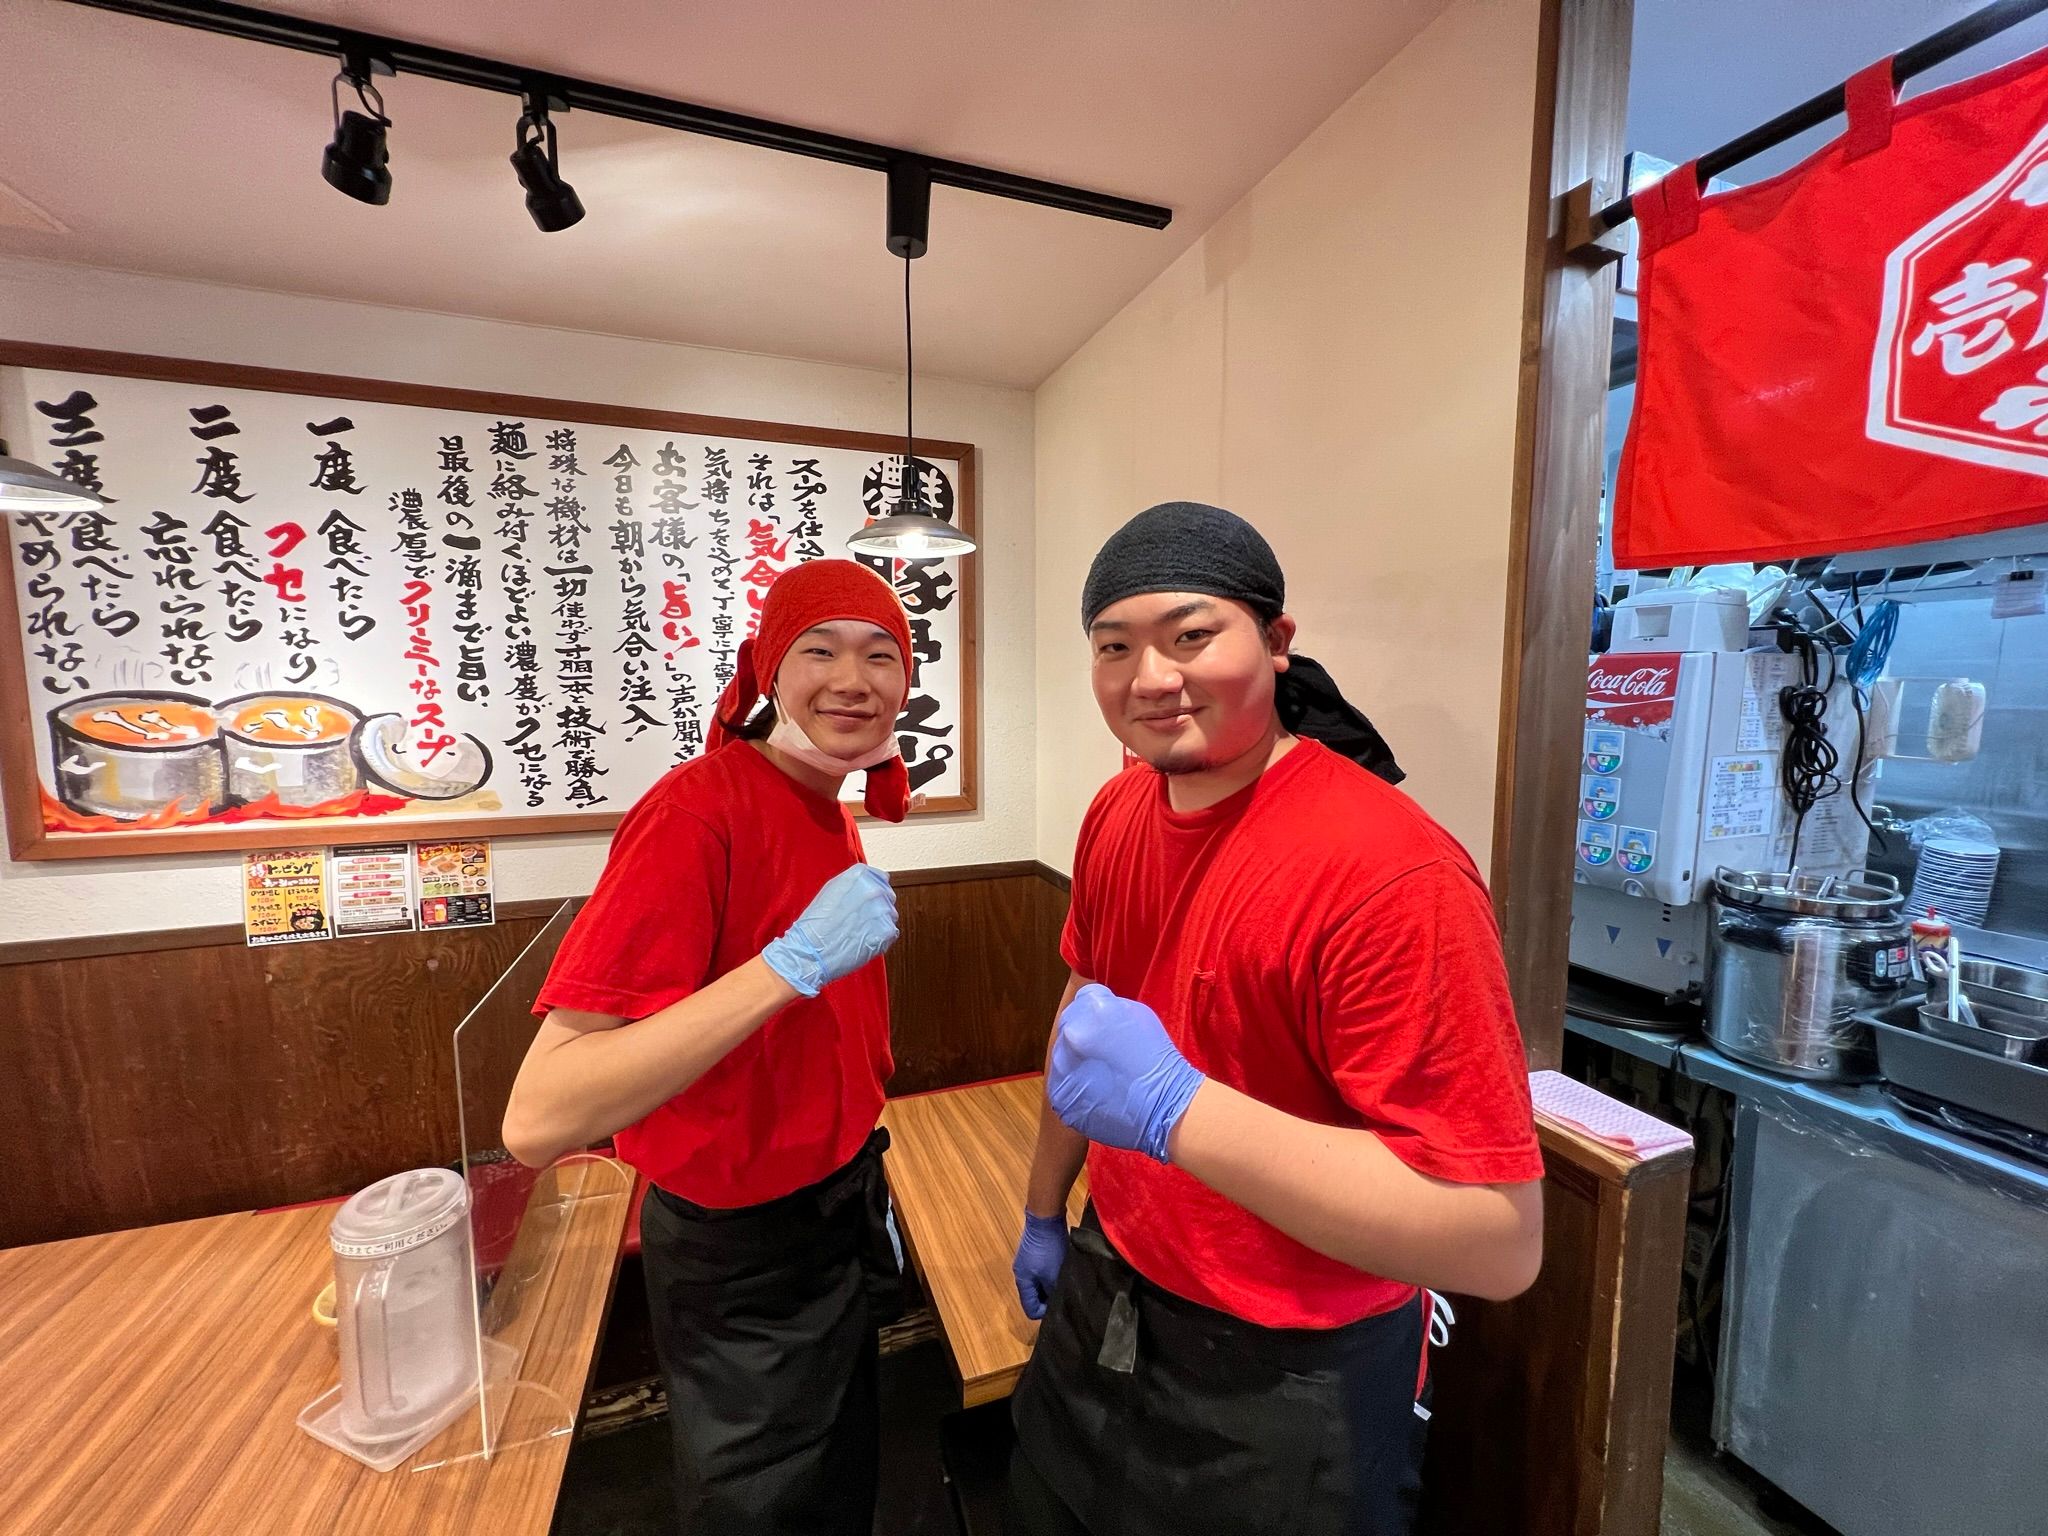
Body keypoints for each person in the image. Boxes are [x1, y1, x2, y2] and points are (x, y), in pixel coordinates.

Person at [1006, 502, 1547, 1536]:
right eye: (1113, 647)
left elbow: (1495, 1241)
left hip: (1292, 1367)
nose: (1149, 676)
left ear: (1277, 640)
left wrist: (1174, 1110)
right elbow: (1083, 1021)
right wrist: (1045, 1210)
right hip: (1109, 1287)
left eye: (1190, 635)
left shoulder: (1390, 874)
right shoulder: (1118, 812)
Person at [502, 558, 914, 1536]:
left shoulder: (824, 804)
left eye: (880, 655)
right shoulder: (698, 813)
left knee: (835, 1493)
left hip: (838, 1210)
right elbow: (539, 1115)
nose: (851, 679)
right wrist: (791, 965)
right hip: (744, 1258)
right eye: (819, 650)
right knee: (760, 1512)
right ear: (771, 666)